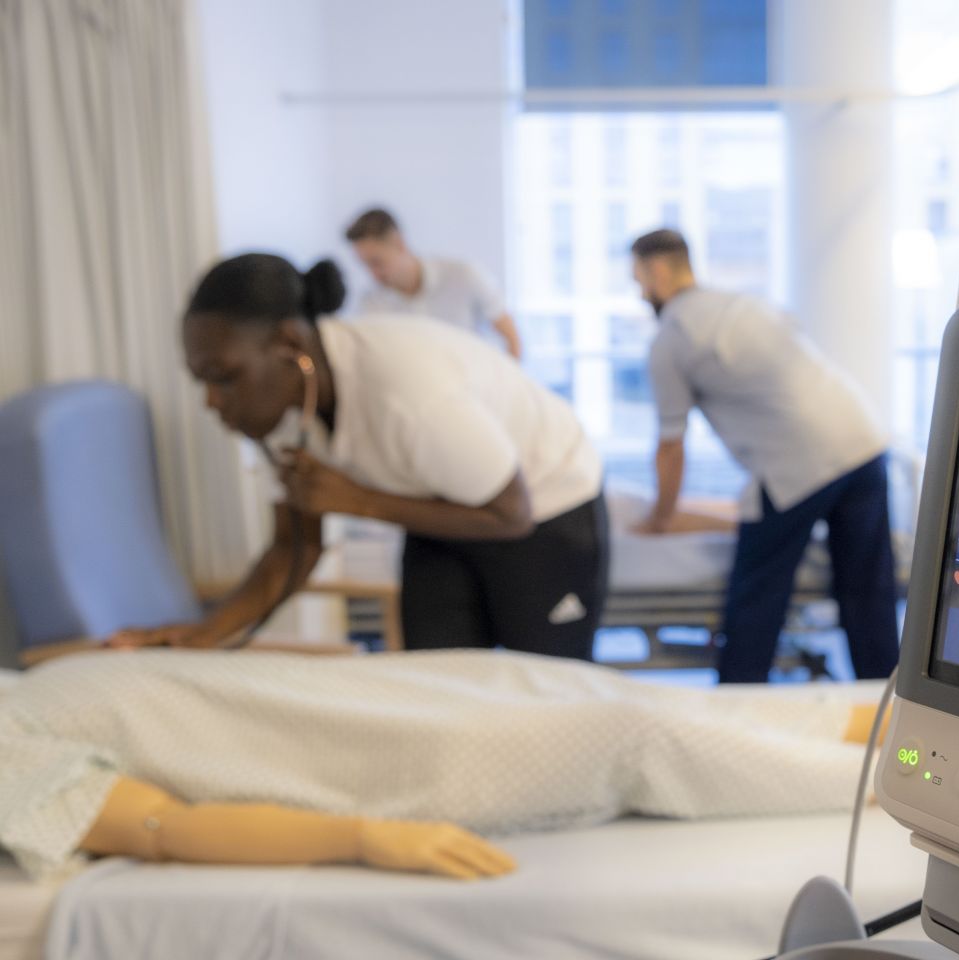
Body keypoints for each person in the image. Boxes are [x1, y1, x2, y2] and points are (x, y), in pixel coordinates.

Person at [0, 649, 886, 880]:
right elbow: (159, 825)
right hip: (354, 753)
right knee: (628, 734)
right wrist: (363, 838)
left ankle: (883, 717)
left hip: (359, 695)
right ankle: (911, 780)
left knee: (586, 687)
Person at [112, 253, 607, 658]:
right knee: (439, 687)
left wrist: (357, 500)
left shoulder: (406, 393)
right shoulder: (284, 414)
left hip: (546, 504)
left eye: (224, 377)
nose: (211, 402)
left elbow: (509, 513)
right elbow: (293, 548)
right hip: (439, 509)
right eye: (202, 382)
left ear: (289, 343)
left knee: (547, 689)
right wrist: (199, 636)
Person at [629, 229, 901, 684]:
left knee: (756, 595)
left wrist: (660, 518)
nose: (639, 292)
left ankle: (740, 698)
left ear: (658, 272)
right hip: (863, 438)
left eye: (638, 278)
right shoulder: (743, 306)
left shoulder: (672, 338)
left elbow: (671, 446)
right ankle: (886, 703)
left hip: (796, 463)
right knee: (868, 592)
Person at [345, 208, 523, 359]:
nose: (373, 274)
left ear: (399, 244)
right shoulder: (372, 305)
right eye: (365, 265)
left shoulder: (463, 276)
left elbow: (512, 340)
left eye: (377, 262)